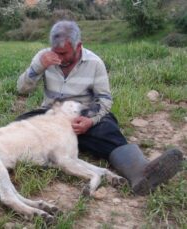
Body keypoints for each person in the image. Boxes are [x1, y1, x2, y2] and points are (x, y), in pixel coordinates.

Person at [16, 20, 183, 195]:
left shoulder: (94, 63)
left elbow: (104, 100)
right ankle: (51, 151)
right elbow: (21, 89)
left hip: (83, 115)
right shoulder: (43, 58)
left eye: (64, 53)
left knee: (107, 129)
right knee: (21, 124)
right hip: (52, 114)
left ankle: (141, 173)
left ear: (78, 46)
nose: (58, 58)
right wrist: (37, 67)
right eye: (55, 52)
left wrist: (90, 121)